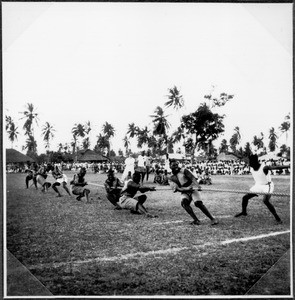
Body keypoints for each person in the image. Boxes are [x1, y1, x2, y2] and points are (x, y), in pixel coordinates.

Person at [235, 154, 289, 224]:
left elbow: (277, 167)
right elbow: (241, 157)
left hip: (267, 185)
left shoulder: (264, 168)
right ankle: (244, 212)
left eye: (250, 162)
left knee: (265, 200)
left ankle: (278, 219)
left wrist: (289, 166)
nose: (249, 164)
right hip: (258, 185)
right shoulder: (252, 167)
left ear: (255, 162)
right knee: (245, 198)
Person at [169, 160, 218, 225]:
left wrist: (198, 186)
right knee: (184, 203)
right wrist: (186, 189)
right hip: (184, 191)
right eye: (173, 165)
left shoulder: (184, 171)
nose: (176, 167)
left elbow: (192, 178)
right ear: (170, 167)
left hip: (192, 189)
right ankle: (196, 220)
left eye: (176, 165)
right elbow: (177, 189)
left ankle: (212, 219)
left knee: (198, 203)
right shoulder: (170, 177)